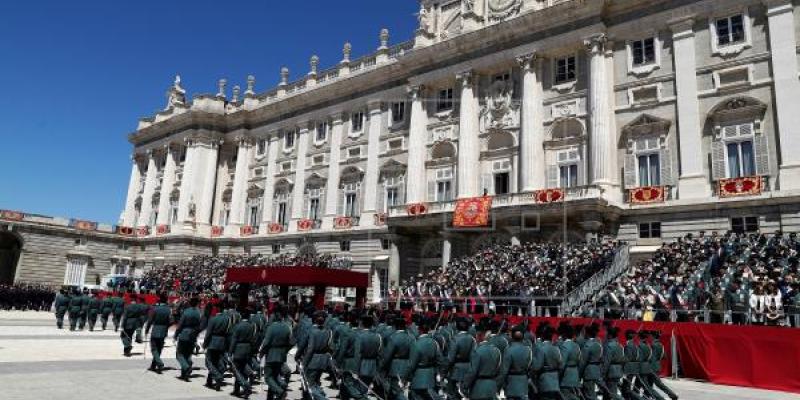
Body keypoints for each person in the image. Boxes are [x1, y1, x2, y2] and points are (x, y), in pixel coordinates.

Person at [260, 305, 295, 400]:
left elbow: (266, 343)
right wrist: (285, 350)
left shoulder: (271, 327)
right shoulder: (287, 327)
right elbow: (292, 342)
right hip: (281, 355)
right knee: (275, 377)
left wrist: (262, 353)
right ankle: (271, 396)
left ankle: (280, 391)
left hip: (271, 354)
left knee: (268, 377)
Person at [405, 317, 444, 400]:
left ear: (419, 329)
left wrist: (406, 378)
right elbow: (440, 361)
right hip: (431, 378)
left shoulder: (416, 344)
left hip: (417, 378)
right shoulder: (434, 343)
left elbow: (411, 365)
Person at [462, 323, 503, 400]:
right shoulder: (497, 351)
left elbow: (472, 372)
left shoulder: (477, 351)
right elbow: (500, 371)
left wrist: (464, 386)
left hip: (478, 388)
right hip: (492, 387)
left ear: (479, 336)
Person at [381, 316, 415, 400]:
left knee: (397, 392)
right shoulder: (411, 337)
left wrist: (382, 367)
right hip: (408, 367)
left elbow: (387, 356)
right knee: (401, 391)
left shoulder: (393, 338)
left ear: (395, 326)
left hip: (396, 368)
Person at [302, 311, 334, 400]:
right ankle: (321, 395)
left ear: (315, 320)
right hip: (323, 360)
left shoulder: (312, 331)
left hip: (313, 360)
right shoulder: (328, 331)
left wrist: (304, 363)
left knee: (309, 385)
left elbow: (310, 349)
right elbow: (331, 347)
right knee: (316, 382)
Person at [498, 325, 534, 400]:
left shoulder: (508, 350)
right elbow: (530, 367)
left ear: (512, 336)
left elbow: (504, 371)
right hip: (523, 384)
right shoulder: (528, 350)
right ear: (523, 336)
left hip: (511, 385)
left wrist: (499, 386)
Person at [229, 307, 257, 397]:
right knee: (243, 367)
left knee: (236, 370)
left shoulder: (238, 326)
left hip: (239, 349)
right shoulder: (251, 326)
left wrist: (230, 352)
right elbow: (253, 340)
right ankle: (249, 374)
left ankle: (245, 387)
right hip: (248, 349)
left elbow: (234, 340)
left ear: (241, 315)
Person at [203, 300, 230, 391]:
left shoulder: (213, 319)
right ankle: (209, 380)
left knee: (209, 362)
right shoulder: (228, 319)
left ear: (217, 308)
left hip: (213, 342)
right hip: (223, 342)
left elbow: (208, 334)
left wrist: (205, 344)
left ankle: (218, 376)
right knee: (218, 362)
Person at [446, 318, 475, 400]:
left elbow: (450, 358)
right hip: (468, 368)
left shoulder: (455, 339)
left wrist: (444, 372)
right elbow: (473, 356)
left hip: (456, 370)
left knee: (453, 395)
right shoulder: (472, 339)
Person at [353, 315, 382, 398]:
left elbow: (358, 354)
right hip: (373, 366)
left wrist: (355, 370)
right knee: (365, 388)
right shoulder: (378, 336)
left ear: (362, 323)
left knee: (360, 391)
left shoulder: (360, 336)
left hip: (362, 365)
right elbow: (380, 354)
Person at [175, 297, 202, 381]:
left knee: (179, 354)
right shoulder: (199, 313)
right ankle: (184, 374)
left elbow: (180, 324)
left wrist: (176, 334)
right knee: (187, 354)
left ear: (190, 303)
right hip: (193, 334)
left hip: (184, 333)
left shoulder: (186, 312)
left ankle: (187, 368)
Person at [145, 293, 173, 373]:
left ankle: (159, 363)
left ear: (159, 300)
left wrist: (147, 330)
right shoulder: (169, 309)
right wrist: (166, 326)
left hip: (156, 329)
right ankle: (153, 365)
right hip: (164, 330)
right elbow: (172, 321)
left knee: (154, 348)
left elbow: (150, 321)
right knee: (159, 348)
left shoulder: (155, 309)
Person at [533, 325, 562, 400]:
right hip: (555, 382)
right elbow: (560, 365)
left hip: (544, 382)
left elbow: (537, 367)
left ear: (542, 336)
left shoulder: (541, 349)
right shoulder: (556, 349)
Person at [647, 331, 678, 400]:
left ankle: (671, 394)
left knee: (657, 384)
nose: (649, 337)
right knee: (650, 384)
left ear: (653, 336)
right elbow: (664, 356)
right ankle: (648, 396)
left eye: (650, 336)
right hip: (657, 365)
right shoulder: (661, 345)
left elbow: (651, 358)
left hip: (652, 367)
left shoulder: (653, 345)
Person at [557, 323, 581, 400]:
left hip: (566, 377)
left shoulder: (565, 346)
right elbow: (579, 361)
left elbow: (562, 365)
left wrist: (557, 377)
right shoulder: (576, 346)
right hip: (575, 376)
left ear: (564, 335)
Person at [579, 324, 603, 400]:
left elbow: (583, 361)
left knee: (589, 394)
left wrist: (579, 375)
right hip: (596, 370)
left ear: (588, 334)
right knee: (591, 392)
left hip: (588, 371)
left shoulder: (588, 345)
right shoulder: (598, 344)